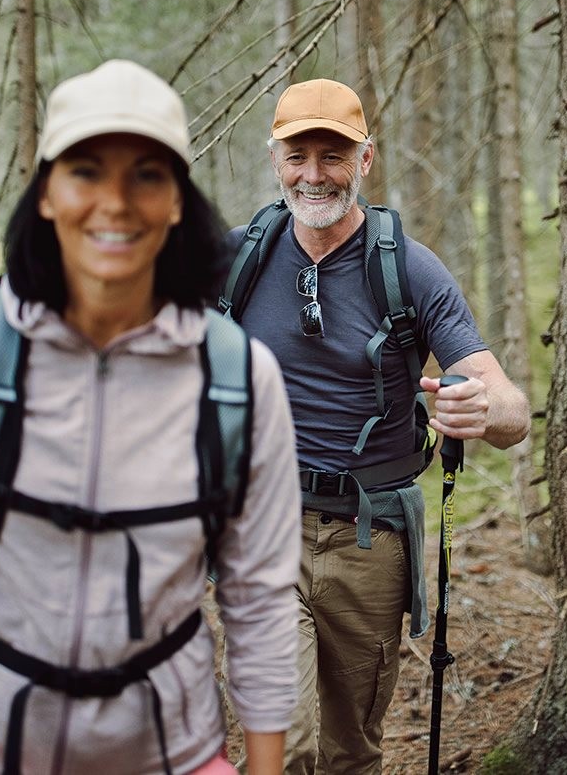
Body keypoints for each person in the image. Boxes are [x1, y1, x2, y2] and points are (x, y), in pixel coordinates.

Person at [0, 60, 301, 775]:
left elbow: (259, 588)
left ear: (179, 201)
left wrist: (266, 766)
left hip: (166, 754)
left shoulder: (240, 379)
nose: (114, 202)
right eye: (86, 171)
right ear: (49, 194)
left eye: (147, 175)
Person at [223, 78, 531, 774]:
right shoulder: (237, 260)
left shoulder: (409, 271)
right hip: (263, 529)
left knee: (349, 751)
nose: (313, 174)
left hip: (372, 540)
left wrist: (481, 410)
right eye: (297, 155)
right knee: (284, 745)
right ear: (274, 158)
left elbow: (510, 409)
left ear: (366, 160)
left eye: (333, 156)